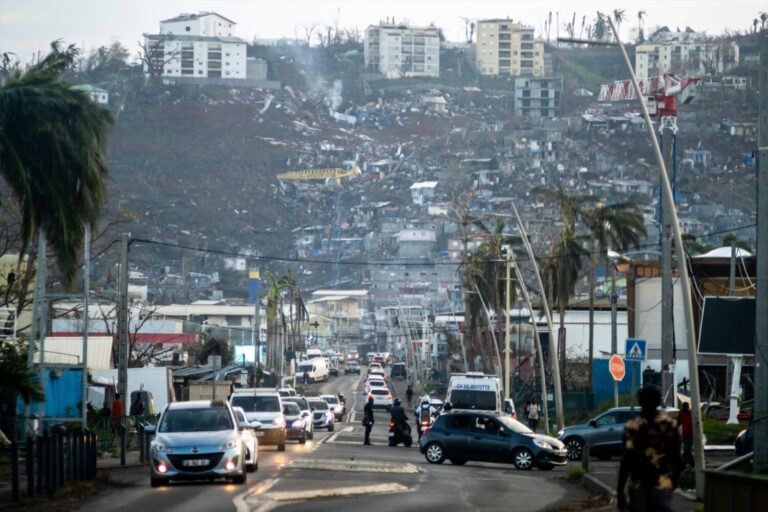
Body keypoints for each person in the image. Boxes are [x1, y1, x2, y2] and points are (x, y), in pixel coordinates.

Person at [617, 386, 682, 512]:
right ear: (658, 401)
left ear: (640, 401)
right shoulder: (669, 424)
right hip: (663, 483)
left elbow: (626, 460)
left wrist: (620, 491)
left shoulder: (633, 426)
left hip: (639, 484)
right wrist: (675, 479)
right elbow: (676, 455)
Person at [678, 402, 694, 468]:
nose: (685, 408)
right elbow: (678, 422)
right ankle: (693, 463)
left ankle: (682, 465)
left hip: (691, 435)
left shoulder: (691, 414)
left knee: (686, 450)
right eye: (684, 407)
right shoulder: (682, 414)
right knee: (687, 450)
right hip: (685, 435)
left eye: (686, 407)